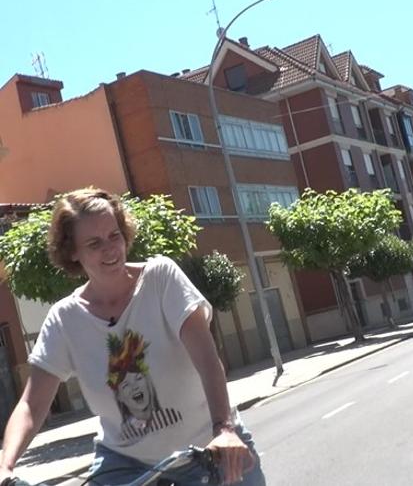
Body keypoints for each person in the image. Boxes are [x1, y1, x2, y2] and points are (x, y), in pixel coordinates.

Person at [0, 188, 266, 485]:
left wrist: (225, 430)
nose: (110, 249)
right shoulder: (64, 320)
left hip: (211, 447)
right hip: (127, 464)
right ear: (72, 251)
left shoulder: (161, 279)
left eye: (114, 235)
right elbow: (31, 405)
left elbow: (207, 359)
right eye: (94, 243)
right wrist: (4, 465)